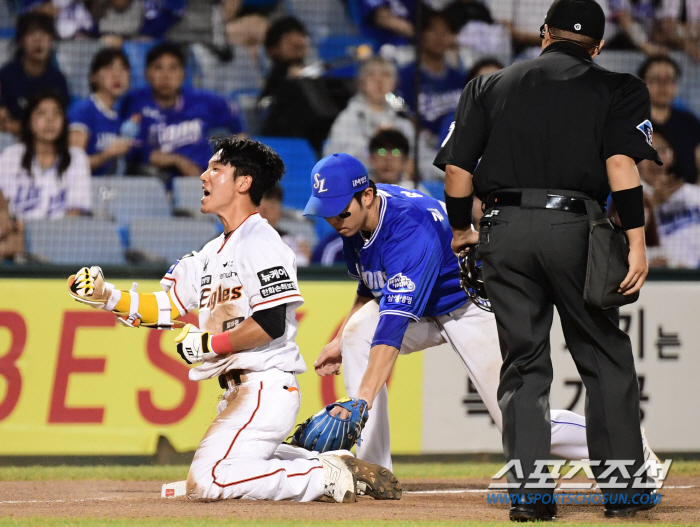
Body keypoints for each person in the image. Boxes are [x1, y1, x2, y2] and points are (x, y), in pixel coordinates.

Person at [66, 137, 399, 503]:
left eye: (215, 169)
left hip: (264, 389)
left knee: (206, 481)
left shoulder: (261, 241)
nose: (203, 177)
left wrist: (209, 344)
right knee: (213, 477)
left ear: (243, 183)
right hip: (239, 393)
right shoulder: (211, 252)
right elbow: (165, 306)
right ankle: (332, 463)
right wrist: (106, 296)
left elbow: (270, 323)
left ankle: (322, 475)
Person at [435, 0, 661, 519]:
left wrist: (463, 230)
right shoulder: (619, 87)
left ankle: (532, 497)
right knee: (603, 357)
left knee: (523, 365)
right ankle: (624, 492)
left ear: (543, 34)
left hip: (503, 229)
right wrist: (637, 241)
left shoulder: (487, 85)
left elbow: (456, 175)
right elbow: (622, 164)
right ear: (598, 46)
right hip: (575, 227)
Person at [306, 153, 660, 481]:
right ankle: (373, 471)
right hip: (424, 309)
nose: (334, 220)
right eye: (327, 212)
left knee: (520, 421)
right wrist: (339, 340)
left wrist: (361, 401)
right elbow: (371, 286)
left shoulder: (408, 228)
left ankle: (629, 446)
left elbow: (393, 325)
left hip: (467, 306)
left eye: (339, 211)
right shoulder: (356, 222)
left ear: (367, 195)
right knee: (355, 335)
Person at [120, 42, 245, 181]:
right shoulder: (135, 102)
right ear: (146, 74)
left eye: (173, 68)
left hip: (205, 181)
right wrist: (178, 161)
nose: (166, 75)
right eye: (158, 68)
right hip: (157, 181)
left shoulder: (203, 100)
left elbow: (235, 120)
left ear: (183, 75)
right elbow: (135, 151)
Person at [0, 90, 91, 220]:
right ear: (29, 122)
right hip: (17, 232)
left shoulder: (77, 158)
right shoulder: (12, 155)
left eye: (56, 113)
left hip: (60, 235)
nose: (50, 120)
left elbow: (74, 212)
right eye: (41, 113)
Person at [324, 57, 415, 170]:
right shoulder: (348, 119)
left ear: (394, 83)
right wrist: (375, 143)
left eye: (385, 75)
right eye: (371, 75)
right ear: (361, 83)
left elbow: (422, 159)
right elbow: (336, 163)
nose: (379, 80)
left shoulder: (403, 122)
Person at [396, 9, 465, 142]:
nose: (439, 37)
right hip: (419, 145)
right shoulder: (405, 76)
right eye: (433, 31)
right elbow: (398, 108)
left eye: (446, 32)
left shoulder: (460, 78)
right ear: (421, 34)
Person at [0, 12, 69, 136]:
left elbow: (62, 121)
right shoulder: (5, 76)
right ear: (21, 39)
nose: (38, 40)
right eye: (32, 33)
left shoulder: (58, 80)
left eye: (44, 34)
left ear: (51, 39)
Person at [69, 48, 133, 177]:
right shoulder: (83, 111)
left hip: (110, 188)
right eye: (109, 68)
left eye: (123, 69)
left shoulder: (121, 115)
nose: (117, 75)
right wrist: (108, 154)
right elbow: (74, 166)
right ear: (94, 77)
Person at [639, 131, 700, 267]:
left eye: (661, 151)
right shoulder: (631, 197)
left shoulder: (691, 193)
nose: (655, 159)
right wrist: (654, 203)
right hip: (664, 279)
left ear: (671, 157)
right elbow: (623, 242)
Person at [639, 55, 700, 184]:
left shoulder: (690, 122)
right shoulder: (630, 122)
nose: (663, 86)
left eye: (669, 80)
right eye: (656, 80)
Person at [258, 184, 312, 266]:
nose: (265, 212)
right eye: (258, 205)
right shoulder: (237, 239)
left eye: (272, 205)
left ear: (279, 210)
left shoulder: (290, 242)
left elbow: (301, 264)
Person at [259, 16, 310, 102]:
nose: (298, 42)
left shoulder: (312, 76)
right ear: (272, 49)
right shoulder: (276, 80)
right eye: (287, 39)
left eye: (301, 35)